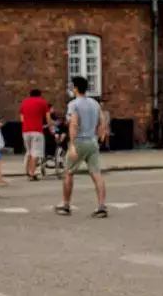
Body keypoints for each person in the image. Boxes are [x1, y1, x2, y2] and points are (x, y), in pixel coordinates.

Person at [54, 76, 109, 218]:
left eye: (72, 86)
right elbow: (103, 122)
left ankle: (66, 205)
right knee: (96, 174)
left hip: (79, 141)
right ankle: (101, 206)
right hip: (92, 141)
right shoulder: (95, 104)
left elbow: (74, 123)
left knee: (68, 173)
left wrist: (72, 144)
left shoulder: (74, 104)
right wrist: (99, 138)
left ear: (76, 88)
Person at [19, 89, 49, 181]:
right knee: (35, 152)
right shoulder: (43, 102)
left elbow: (21, 118)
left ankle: (27, 171)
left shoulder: (24, 102)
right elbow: (47, 117)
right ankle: (32, 173)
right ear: (40, 95)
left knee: (28, 151)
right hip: (37, 130)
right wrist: (50, 127)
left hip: (25, 130)